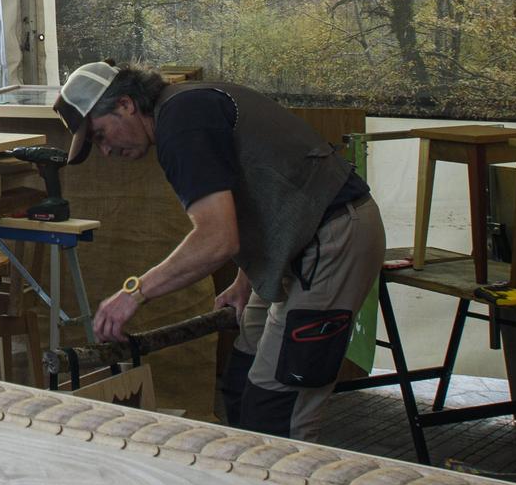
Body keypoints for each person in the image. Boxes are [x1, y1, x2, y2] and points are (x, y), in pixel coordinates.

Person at [55, 62, 384, 442]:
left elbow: (217, 238)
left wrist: (134, 292)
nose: (106, 150)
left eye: (99, 135)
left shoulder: (182, 123)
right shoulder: (183, 110)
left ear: (126, 104)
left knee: (277, 411)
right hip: (295, 238)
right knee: (241, 383)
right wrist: (246, 279)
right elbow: (258, 189)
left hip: (331, 238)